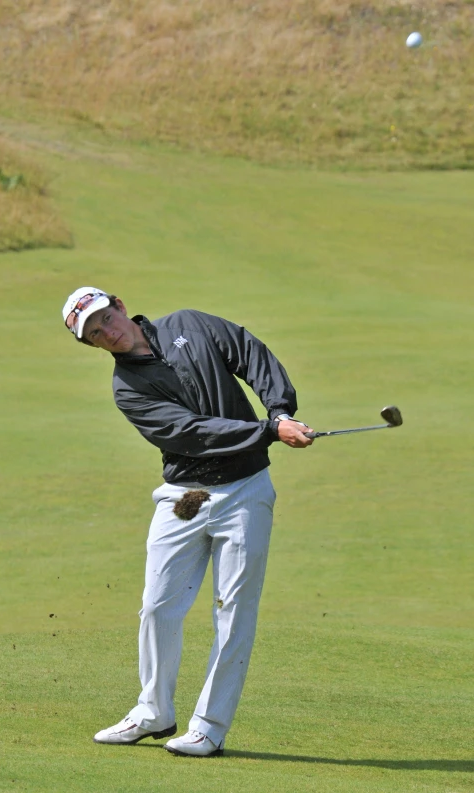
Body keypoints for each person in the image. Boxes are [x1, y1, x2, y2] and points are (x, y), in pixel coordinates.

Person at [61, 286, 314, 757]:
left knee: (233, 611)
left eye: (105, 318)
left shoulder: (190, 325)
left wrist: (279, 410)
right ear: (92, 345)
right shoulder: (127, 389)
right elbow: (189, 434)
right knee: (158, 606)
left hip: (246, 490)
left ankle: (209, 727)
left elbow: (249, 352)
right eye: (94, 334)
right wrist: (266, 430)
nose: (107, 333)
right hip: (184, 496)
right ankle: (153, 710)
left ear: (119, 304)